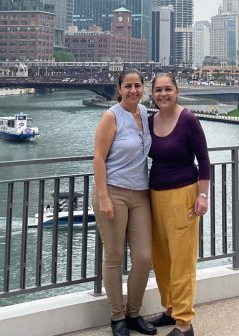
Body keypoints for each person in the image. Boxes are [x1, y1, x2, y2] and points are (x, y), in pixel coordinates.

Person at [92, 69, 158, 336]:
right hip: (113, 192)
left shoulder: (143, 113)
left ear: (144, 88)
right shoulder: (111, 116)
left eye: (138, 85)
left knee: (143, 257)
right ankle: (118, 317)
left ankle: (133, 313)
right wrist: (104, 196)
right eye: (128, 86)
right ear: (119, 88)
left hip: (141, 193)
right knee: (114, 257)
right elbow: (98, 158)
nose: (133, 90)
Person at [147, 72, 211, 336]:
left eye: (168, 89)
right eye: (158, 90)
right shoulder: (149, 121)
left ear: (176, 90)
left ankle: (184, 323)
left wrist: (202, 195)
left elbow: (204, 160)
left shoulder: (188, 120)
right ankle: (171, 308)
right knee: (161, 258)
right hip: (154, 194)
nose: (163, 94)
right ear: (152, 94)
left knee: (182, 260)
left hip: (183, 192)